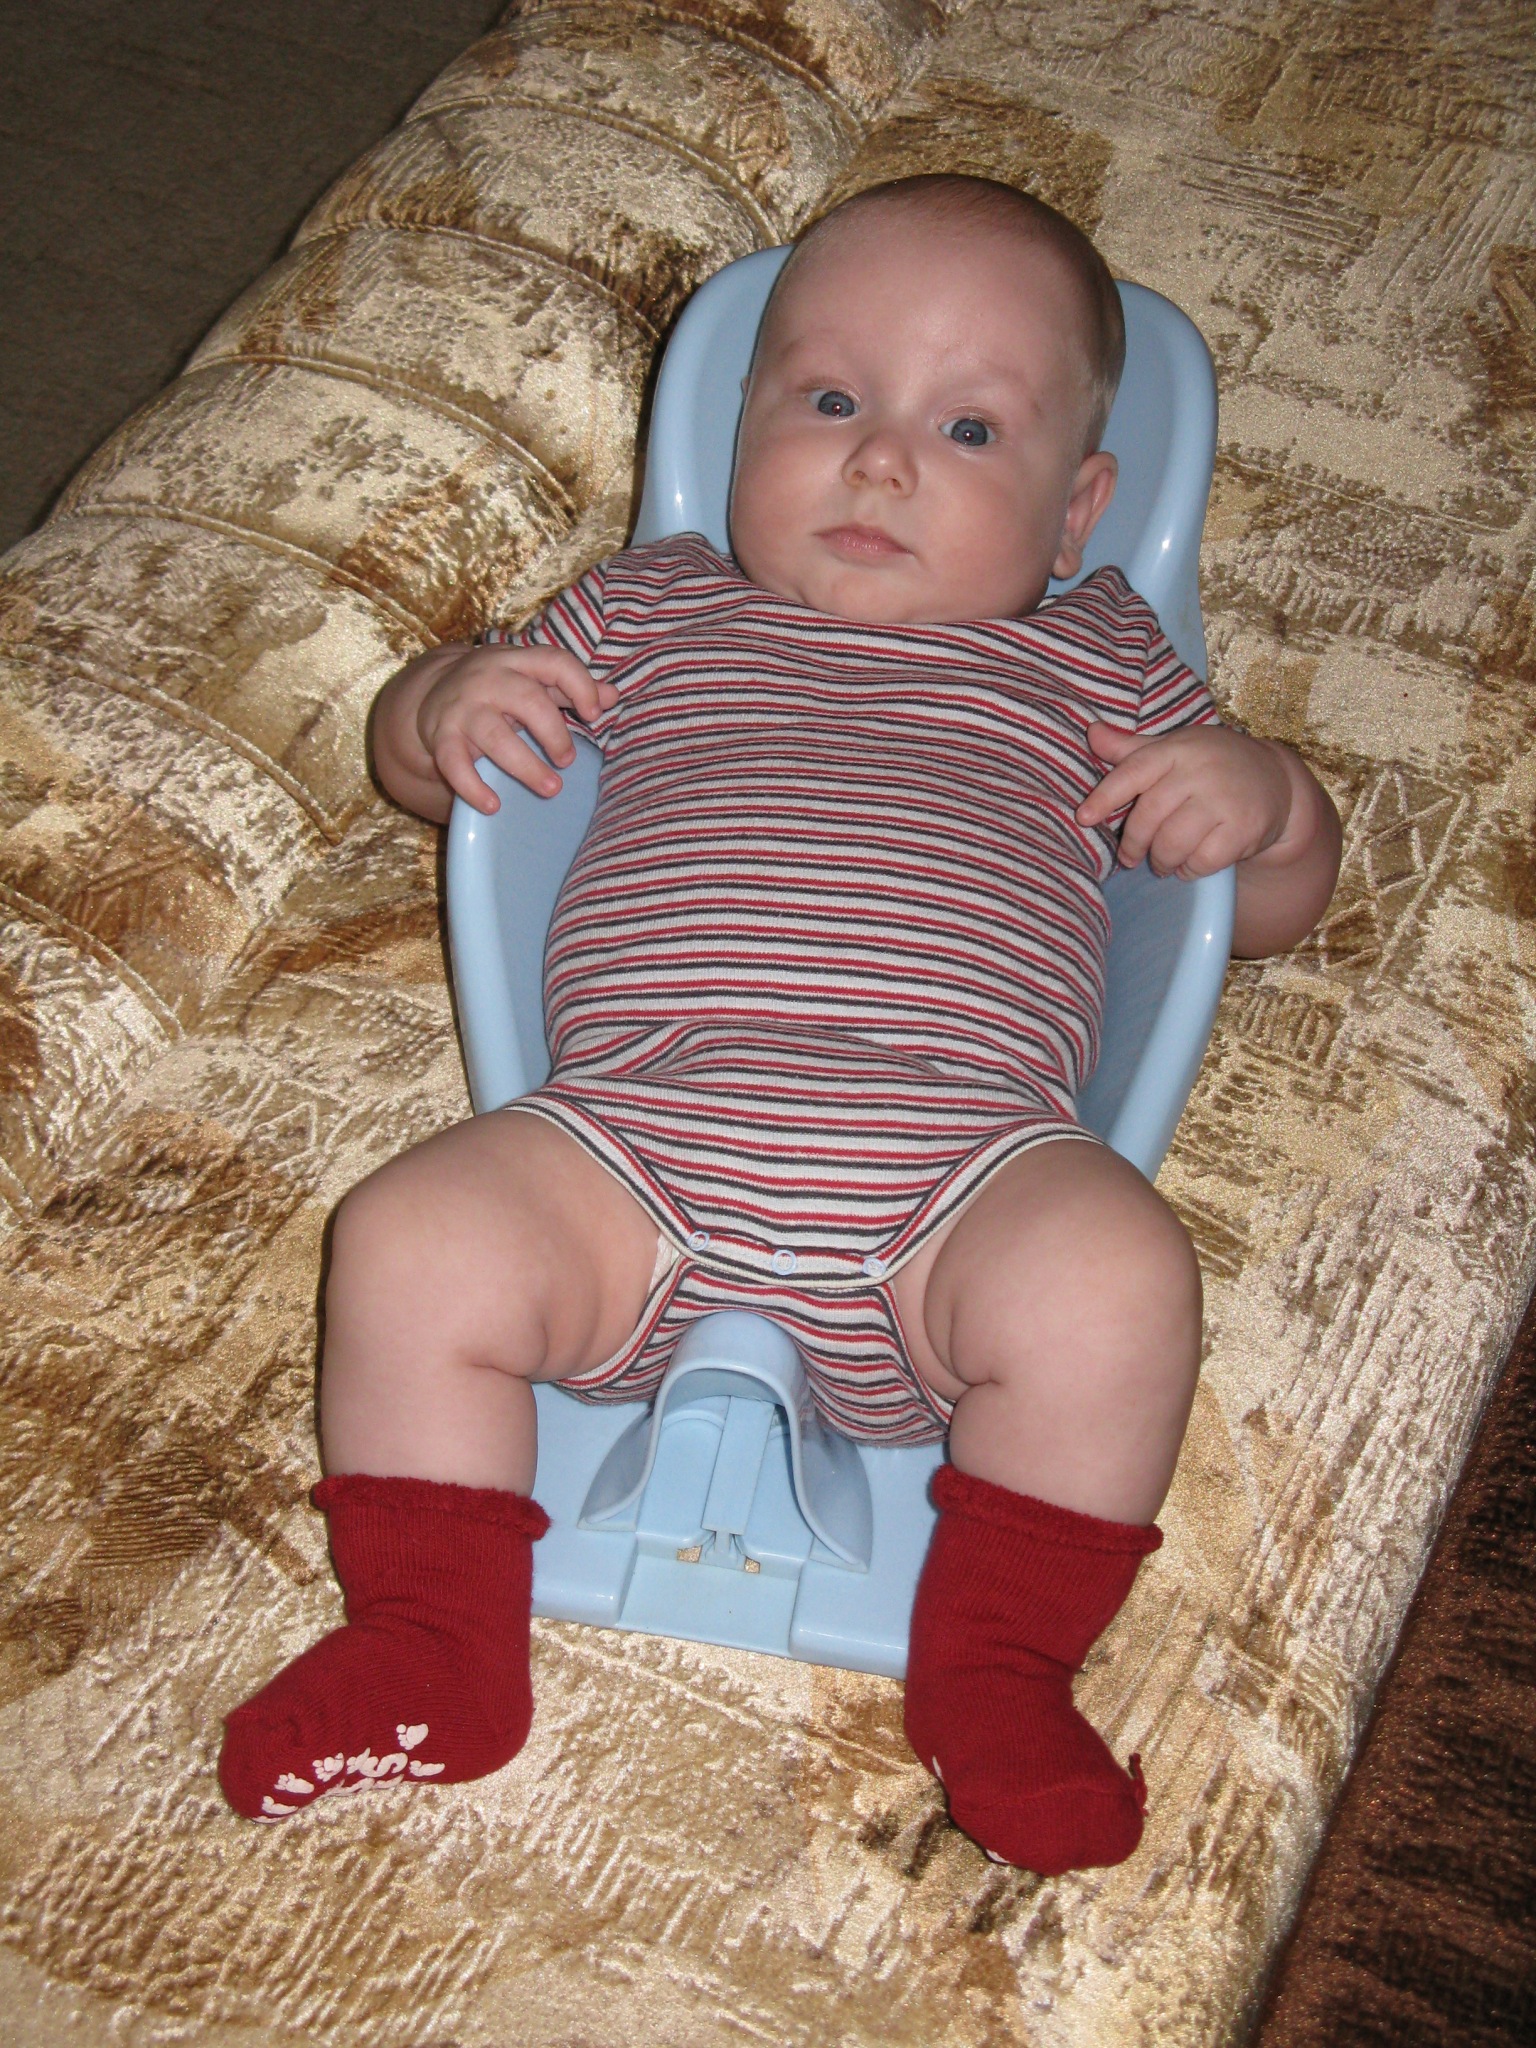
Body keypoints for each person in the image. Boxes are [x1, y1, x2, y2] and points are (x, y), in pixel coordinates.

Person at [218, 174, 1341, 1873]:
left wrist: (1266, 801)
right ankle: (435, 1648)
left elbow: (1252, 913)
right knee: (409, 1237)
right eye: (828, 401)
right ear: (740, 424)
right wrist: (441, 702)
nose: (881, 461)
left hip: (962, 1171)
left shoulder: (1102, 658)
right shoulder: (658, 603)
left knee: (1119, 1278)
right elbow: (426, 769)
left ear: (1076, 514)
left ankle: (998, 1669)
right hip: (628, 1145)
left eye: (969, 428)